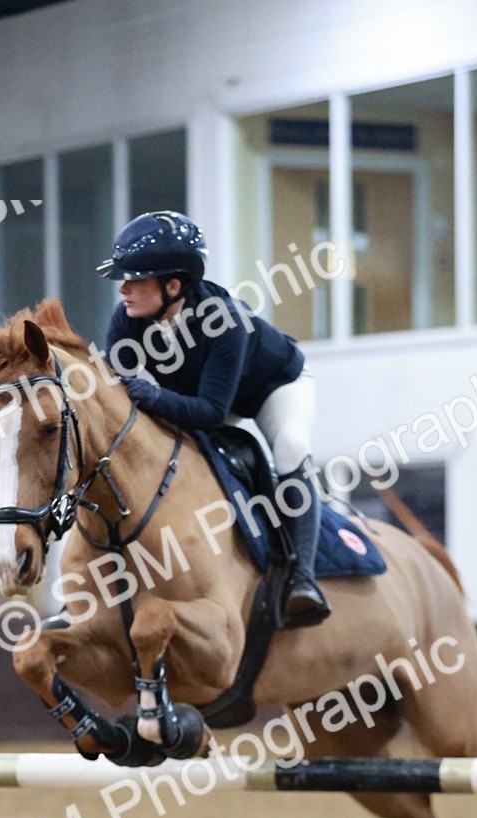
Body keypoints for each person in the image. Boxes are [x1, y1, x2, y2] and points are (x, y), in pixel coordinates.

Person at [97, 209, 331, 628]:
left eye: (135, 280)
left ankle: (303, 577)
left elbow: (210, 413)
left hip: (271, 388)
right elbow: (116, 392)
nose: (124, 291)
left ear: (173, 285)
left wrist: (152, 393)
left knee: (291, 446)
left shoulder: (225, 320)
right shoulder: (128, 320)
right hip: (200, 397)